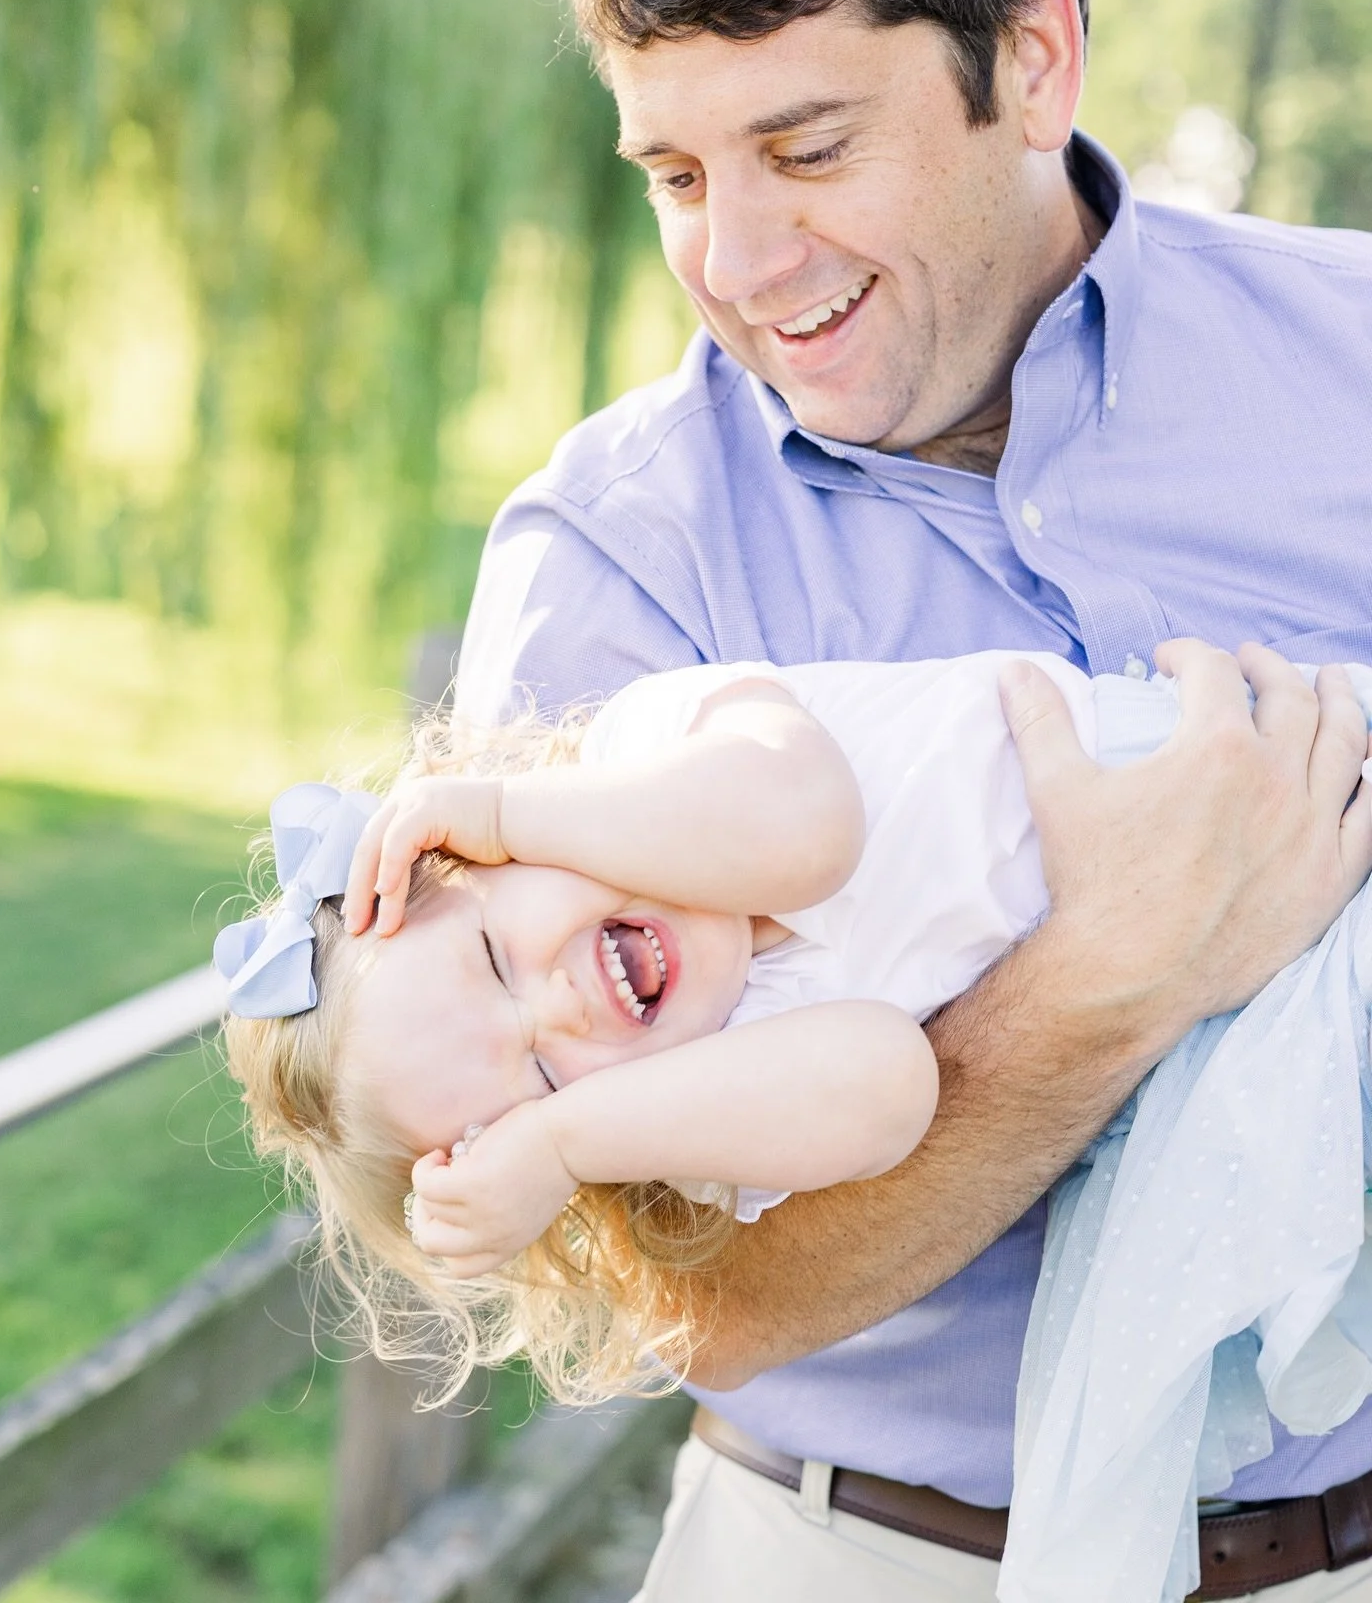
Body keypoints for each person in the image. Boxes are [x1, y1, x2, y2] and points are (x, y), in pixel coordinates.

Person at [439, 0, 1372, 1598]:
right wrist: (1105, 984)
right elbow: (661, 1304)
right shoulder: (614, 565)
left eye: (807, 146)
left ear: (1032, 56)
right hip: (850, 1560)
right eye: (679, 179)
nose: (744, 266)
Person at [216, 645, 1372, 1603]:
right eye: (540, 1086)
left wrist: (508, 805)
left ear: (472, 854)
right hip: (1276, 1008)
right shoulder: (718, 1111)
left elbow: (807, 830)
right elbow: (890, 1087)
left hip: (1265, 790)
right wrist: (570, 1146)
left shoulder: (651, 746)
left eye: (490, 955)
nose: (557, 1006)